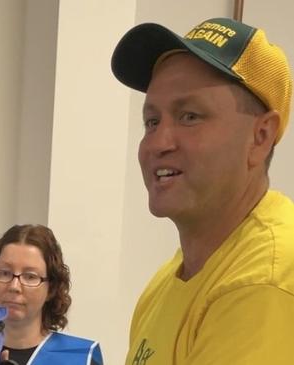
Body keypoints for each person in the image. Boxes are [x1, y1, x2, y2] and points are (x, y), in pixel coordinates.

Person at [111, 17, 294, 364]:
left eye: (190, 116)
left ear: (261, 136)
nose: (158, 143)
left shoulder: (265, 281)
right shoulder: (168, 282)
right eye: (152, 121)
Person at [0, 224, 103, 365]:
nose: (14, 286)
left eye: (30, 276)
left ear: (51, 288)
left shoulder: (80, 359)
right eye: (4, 273)